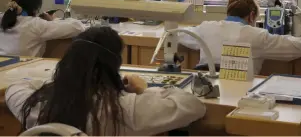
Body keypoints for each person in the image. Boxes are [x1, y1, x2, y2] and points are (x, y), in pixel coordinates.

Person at [5, 26, 206, 136]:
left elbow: (16, 87)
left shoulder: (36, 105)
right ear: (113, 64)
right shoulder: (127, 108)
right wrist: (144, 90)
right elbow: (194, 105)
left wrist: (65, 79)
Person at [179, 0, 301, 74]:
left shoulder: (205, 28)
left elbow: (178, 34)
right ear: (251, 16)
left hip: (204, 90)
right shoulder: (257, 36)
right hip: (239, 96)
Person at [0, 0, 85, 57]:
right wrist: (54, 20)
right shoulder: (36, 24)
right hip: (22, 72)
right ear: (36, 9)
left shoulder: (2, 18)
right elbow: (78, 27)